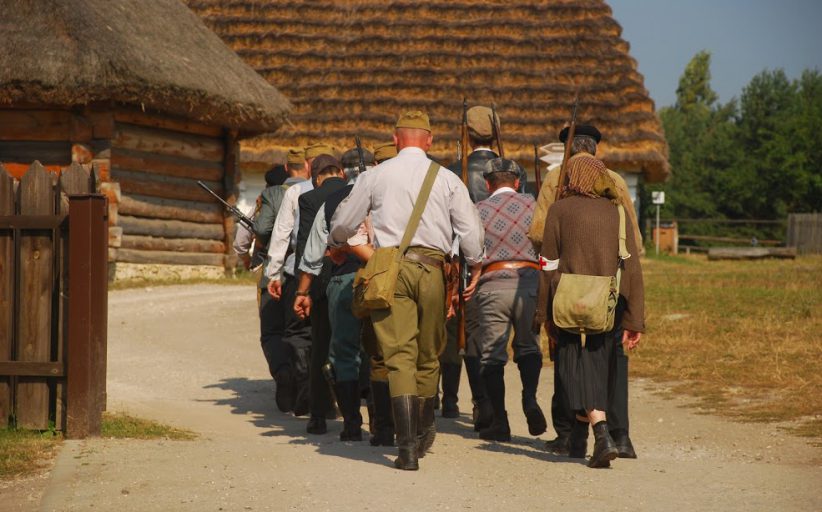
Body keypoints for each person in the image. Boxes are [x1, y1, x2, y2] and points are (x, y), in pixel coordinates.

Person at [330, 111, 484, 471]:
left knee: (399, 355)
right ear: (429, 141)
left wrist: (336, 242)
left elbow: (343, 223)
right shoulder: (448, 179)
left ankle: (407, 448)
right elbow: (471, 233)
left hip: (391, 270)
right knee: (428, 354)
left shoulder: (374, 175)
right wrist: (476, 264)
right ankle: (424, 427)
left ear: (395, 139)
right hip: (433, 270)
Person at [528, 125, 641, 459]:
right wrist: (635, 314)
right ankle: (619, 435)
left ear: (568, 151)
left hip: (569, 289)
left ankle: (572, 433)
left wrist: (543, 308)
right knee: (609, 360)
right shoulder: (616, 184)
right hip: (612, 290)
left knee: (569, 359)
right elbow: (632, 245)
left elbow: (540, 238)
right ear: (596, 151)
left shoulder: (557, 181)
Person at [440, 105, 527, 427]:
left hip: (462, 265)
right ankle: (486, 403)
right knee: (487, 339)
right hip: (505, 268)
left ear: (467, 134)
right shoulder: (515, 173)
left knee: (458, 334)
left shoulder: (451, 171)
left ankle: (455, 401)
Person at [472, 158, 546, 442]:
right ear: (517, 182)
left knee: (492, 355)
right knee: (528, 347)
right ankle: (529, 399)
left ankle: (500, 422)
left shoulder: (478, 209)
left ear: (487, 184)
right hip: (529, 284)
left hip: (493, 286)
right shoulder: (534, 205)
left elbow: (469, 248)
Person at [264, 143, 330, 419]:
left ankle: (305, 396)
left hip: (298, 271)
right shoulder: (346, 189)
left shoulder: (294, 192)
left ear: (308, 166)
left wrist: (273, 273)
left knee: (298, 334)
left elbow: (281, 235)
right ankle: (327, 400)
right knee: (327, 335)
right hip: (331, 272)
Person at [292, 154, 349, 435]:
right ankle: (364, 418)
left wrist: (304, 290)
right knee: (355, 347)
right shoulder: (356, 193)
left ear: (315, 178)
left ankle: (318, 415)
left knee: (320, 346)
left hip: (321, 279)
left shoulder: (309, 199)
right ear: (341, 173)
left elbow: (305, 245)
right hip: (352, 274)